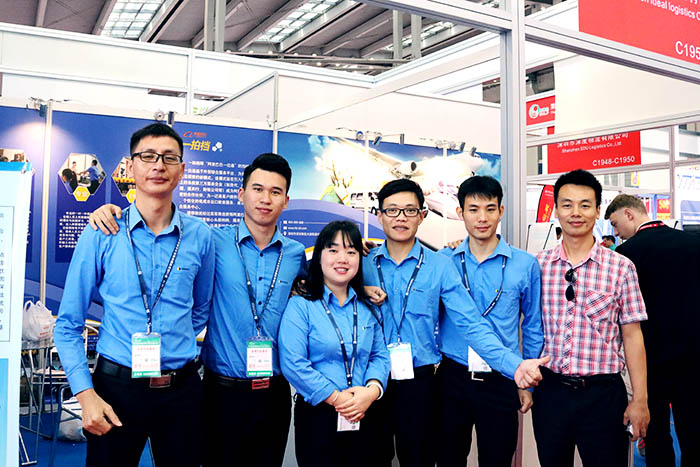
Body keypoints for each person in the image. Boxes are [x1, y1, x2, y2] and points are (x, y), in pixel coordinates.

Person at [89, 153, 315, 466]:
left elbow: (328, 283)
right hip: (220, 392)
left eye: (275, 192)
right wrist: (108, 210)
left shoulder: (295, 254)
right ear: (241, 194)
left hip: (273, 392)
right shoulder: (211, 240)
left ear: (286, 201)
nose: (266, 199)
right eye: (258, 189)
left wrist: (364, 270)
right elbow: (196, 302)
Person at [54, 122, 216, 466]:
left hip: (181, 390)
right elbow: (67, 324)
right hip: (117, 390)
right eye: (148, 156)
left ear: (182, 170)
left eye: (169, 158)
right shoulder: (102, 231)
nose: (159, 165)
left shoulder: (201, 236)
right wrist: (85, 395)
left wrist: (173, 340)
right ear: (130, 167)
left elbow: (201, 308)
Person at [364, 178, 548, 467]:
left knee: (423, 459)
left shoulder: (440, 264)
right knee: (371, 457)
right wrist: (357, 286)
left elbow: (471, 322)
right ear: (379, 215)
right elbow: (322, 287)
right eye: (392, 210)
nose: (401, 218)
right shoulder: (360, 263)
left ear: (422, 215)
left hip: (424, 380)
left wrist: (516, 368)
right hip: (371, 377)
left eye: (410, 210)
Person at [533, 169, 649, 467]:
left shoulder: (621, 267)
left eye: (585, 205)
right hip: (551, 393)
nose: (576, 213)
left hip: (603, 397)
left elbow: (632, 335)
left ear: (598, 211)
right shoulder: (538, 265)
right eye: (567, 204)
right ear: (556, 210)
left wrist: (640, 399)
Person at [437, 176, 544, 467]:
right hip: (452, 377)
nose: (482, 218)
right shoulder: (444, 260)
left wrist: (526, 384)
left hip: (501, 378)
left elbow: (532, 326)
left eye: (490, 208)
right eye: (473, 209)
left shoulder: (524, 264)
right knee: (447, 458)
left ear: (501, 211)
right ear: (460, 213)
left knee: (497, 459)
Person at [279, 221, 390, 467]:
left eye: (351, 251)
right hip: (319, 415)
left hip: (366, 411)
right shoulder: (301, 305)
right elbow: (293, 363)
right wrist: (338, 398)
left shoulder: (368, 306)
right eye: (333, 250)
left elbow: (379, 355)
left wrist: (371, 391)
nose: (343, 259)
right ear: (319, 256)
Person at [605, 194, 700, 467]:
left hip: (650, 361)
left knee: (656, 435)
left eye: (615, 224)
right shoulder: (693, 244)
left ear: (629, 214)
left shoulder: (624, 256)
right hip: (694, 357)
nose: (615, 232)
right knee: (694, 432)